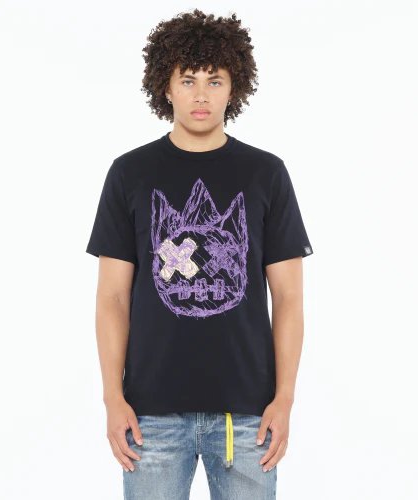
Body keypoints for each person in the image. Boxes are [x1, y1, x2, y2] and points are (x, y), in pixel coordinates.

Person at [86, 9, 314, 500]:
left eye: (215, 80)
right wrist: (112, 398)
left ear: (235, 88)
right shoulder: (130, 173)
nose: (201, 95)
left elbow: (289, 298)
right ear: (166, 87)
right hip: (149, 415)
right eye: (187, 80)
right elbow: (112, 298)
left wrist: (284, 399)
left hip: (248, 415)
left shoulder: (266, 173)